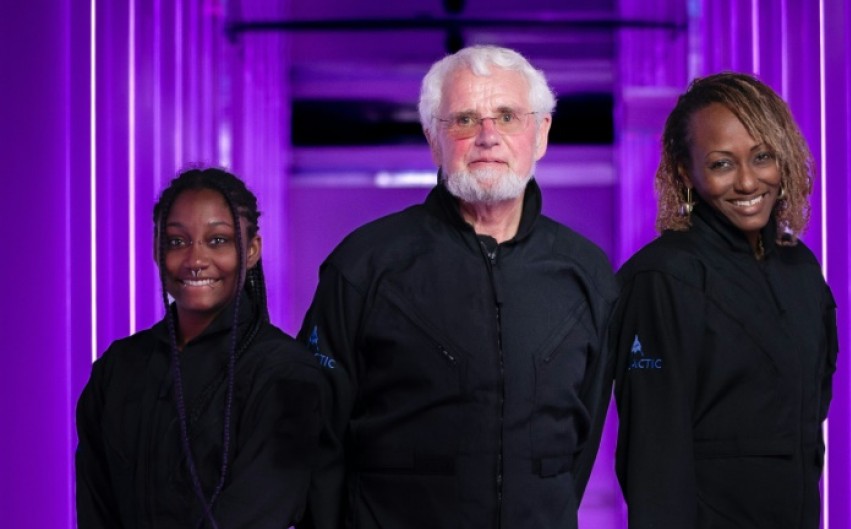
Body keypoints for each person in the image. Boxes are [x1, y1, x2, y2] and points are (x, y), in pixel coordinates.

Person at [298, 45, 618, 529]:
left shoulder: (586, 273)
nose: (488, 137)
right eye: (465, 120)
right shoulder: (364, 265)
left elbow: (579, 442)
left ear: (541, 134)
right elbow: (315, 434)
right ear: (433, 139)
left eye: (507, 116)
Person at [611, 72, 839, 528]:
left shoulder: (801, 270)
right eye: (721, 164)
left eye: (762, 157)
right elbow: (653, 462)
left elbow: (811, 414)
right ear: (685, 170)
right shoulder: (662, 279)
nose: (748, 182)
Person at [76, 168, 332, 528]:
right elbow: (95, 506)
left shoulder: (285, 373)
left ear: (252, 250)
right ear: (156, 249)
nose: (195, 260)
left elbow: (259, 513)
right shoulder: (118, 367)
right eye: (177, 241)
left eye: (218, 240)